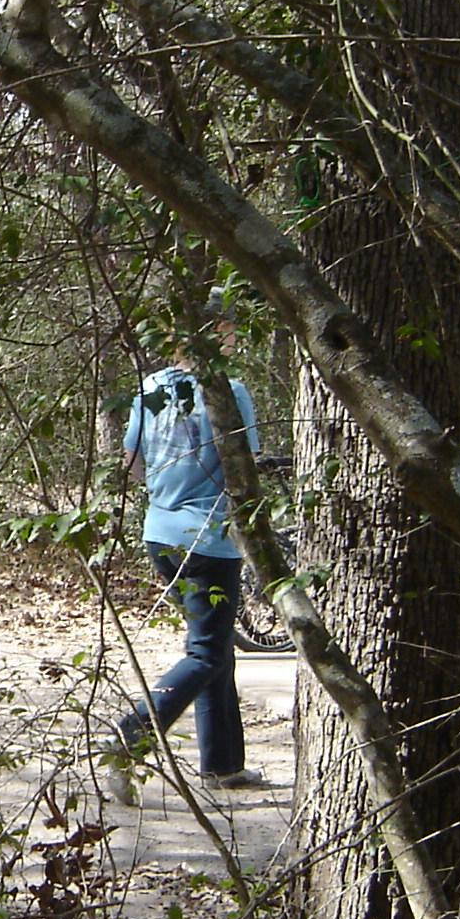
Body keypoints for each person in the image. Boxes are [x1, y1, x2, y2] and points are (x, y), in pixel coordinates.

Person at [116, 304, 266, 790]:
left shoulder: (151, 388)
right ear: (214, 336)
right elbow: (247, 466)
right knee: (205, 653)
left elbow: (132, 462)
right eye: (230, 331)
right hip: (208, 542)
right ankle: (132, 732)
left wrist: (168, 492)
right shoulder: (229, 392)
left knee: (216, 650)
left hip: (161, 534)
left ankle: (222, 765)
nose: (235, 340)